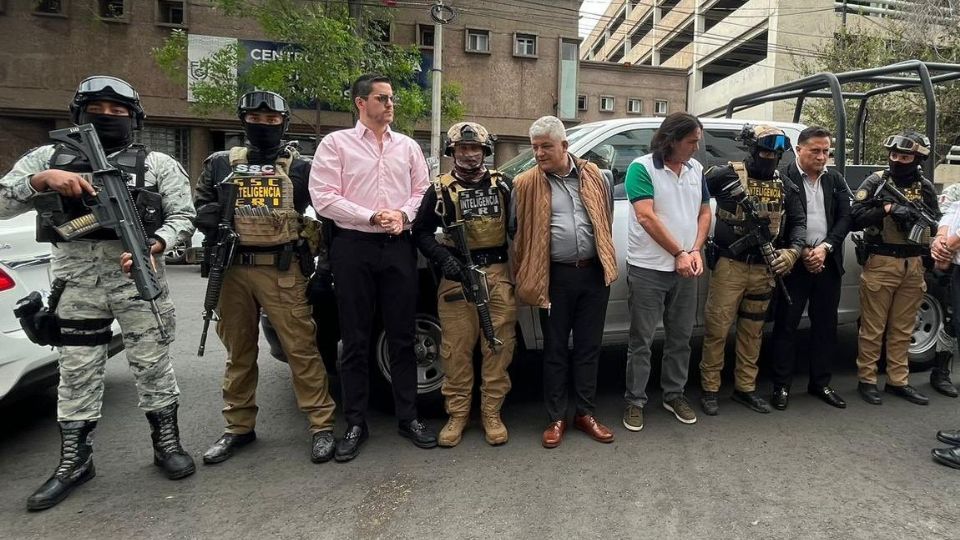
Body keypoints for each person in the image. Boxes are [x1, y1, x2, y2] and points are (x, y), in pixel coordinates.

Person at [0, 76, 196, 511]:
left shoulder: (157, 163)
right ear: (79, 113)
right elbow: (2, 203)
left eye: (118, 110)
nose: (108, 116)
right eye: (98, 109)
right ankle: (76, 460)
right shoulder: (47, 158)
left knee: (153, 365)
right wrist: (42, 180)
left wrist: (157, 243)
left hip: (138, 279)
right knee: (77, 372)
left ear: (133, 117)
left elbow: (184, 217)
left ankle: (167, 443)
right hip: (76, 285)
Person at [190, 91, 337, 465]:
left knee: (302, 349)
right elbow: (201, 203)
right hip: (233, 269)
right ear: (243, 121)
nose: (264, 125)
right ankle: (238, 427)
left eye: (272, 120)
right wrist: (210, 217)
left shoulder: (300, 167)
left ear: (283, 123)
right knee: (238, 353)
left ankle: (321, 425)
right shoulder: (221, 163)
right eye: (255, 119)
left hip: (282, 269)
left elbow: (326, 215)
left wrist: (324, 266)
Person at [309, 74, 436, 461]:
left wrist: (402, 215)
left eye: (391, 98)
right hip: (353, 247)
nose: (390, 104)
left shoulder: (408, 147)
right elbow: (323, 197)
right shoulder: (336, 144)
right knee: (355, 339)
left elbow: (423, 191)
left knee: (402, 335)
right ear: (360, 103)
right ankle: (355, 423)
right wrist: (371, 216)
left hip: (398, 247)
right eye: (382, 98)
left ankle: (408, 418)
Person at [512, 115, 619, 449]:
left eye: (546, 146)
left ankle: (585, 413)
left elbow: (606, 217)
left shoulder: (594, 174)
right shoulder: (525, 183)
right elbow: (516, 229)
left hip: (593, 274)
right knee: (555, 349)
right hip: (553, 276)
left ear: (565, 146)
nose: (539, 153)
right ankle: (555, 417)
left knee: (589, 348)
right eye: (535, 147)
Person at [412, 122, 516, 447]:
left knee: (498, 347)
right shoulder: (439, 190)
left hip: (497, 274)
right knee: (455, 351)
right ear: (452, 151)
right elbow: (420, 232)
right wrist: (444, 259)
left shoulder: (504, 185)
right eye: (462, 148)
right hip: (456, 277)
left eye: (475, 149)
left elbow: (520, 228)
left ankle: (491, 413)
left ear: (485, 151)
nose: (469, 154)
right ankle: (457, 414)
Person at [700, 125, 806, 415]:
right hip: (730, 265)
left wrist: (793, 252)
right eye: (765, 151)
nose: (770, 157)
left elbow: (799, 222)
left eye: (775, 153)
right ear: (751, 149)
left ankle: (745, 388)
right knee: (717, 330)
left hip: (764, 269)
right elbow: (692, 197)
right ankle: (710, 388)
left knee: (753, 331)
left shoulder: (784, 185)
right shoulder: (725, 175)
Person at [621, 112, 710, 431]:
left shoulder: (696, 169)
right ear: (671, 140)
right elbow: (646, 217)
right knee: (641, 340)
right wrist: (679, 252)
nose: (696, 148)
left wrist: (695, 249)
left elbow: (704, 212)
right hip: (648, 269)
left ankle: (674, 394)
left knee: (681, 338)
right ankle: (635, 400)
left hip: (686, 268)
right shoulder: (641, 168)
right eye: (691, 142)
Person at [850, 130, 940, 406]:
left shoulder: (925, 187)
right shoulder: (877, 182)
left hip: (913, 264)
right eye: (894, 155)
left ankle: (898, 381)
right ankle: (867, 380)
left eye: (904, 157)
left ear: (918, 159)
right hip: (882, 261)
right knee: (873, 328)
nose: (897, 160)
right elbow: (855, 217)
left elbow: (935, 222)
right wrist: (888, 209)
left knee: (903, 329)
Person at [768, 126, 852, 410]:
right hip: (794, 262)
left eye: (826, 151)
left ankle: (821, 383)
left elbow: (845, 218)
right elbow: (776, 222)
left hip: (827, 261)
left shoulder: (835, 179)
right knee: (786, 325)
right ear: (798, 149)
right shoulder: (783, 178)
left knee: (826, 326)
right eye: (815, 150)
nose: (821, 157)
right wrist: (801, 250)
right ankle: (781, 386)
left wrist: (825, 248)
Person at [926, 182, 960, 397]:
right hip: (954, 264)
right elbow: (948, 214)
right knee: (952, 320)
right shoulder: (956, 190)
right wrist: (940, 240)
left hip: (952, 253)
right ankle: (940, 372)